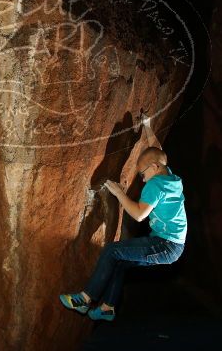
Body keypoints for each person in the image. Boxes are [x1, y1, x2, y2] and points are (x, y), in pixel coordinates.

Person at [59, 115, 187, 321]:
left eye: (143, 174)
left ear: (154, 168)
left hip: (165, 245)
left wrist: (119, 193)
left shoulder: (155, 186)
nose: (142, 178)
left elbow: (138, 215)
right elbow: (157, 149)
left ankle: (85, 299)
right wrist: (147, 127)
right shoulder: (169, 176)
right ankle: (108, 308)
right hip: (172, 246)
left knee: (112, 250)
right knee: (120, 261)